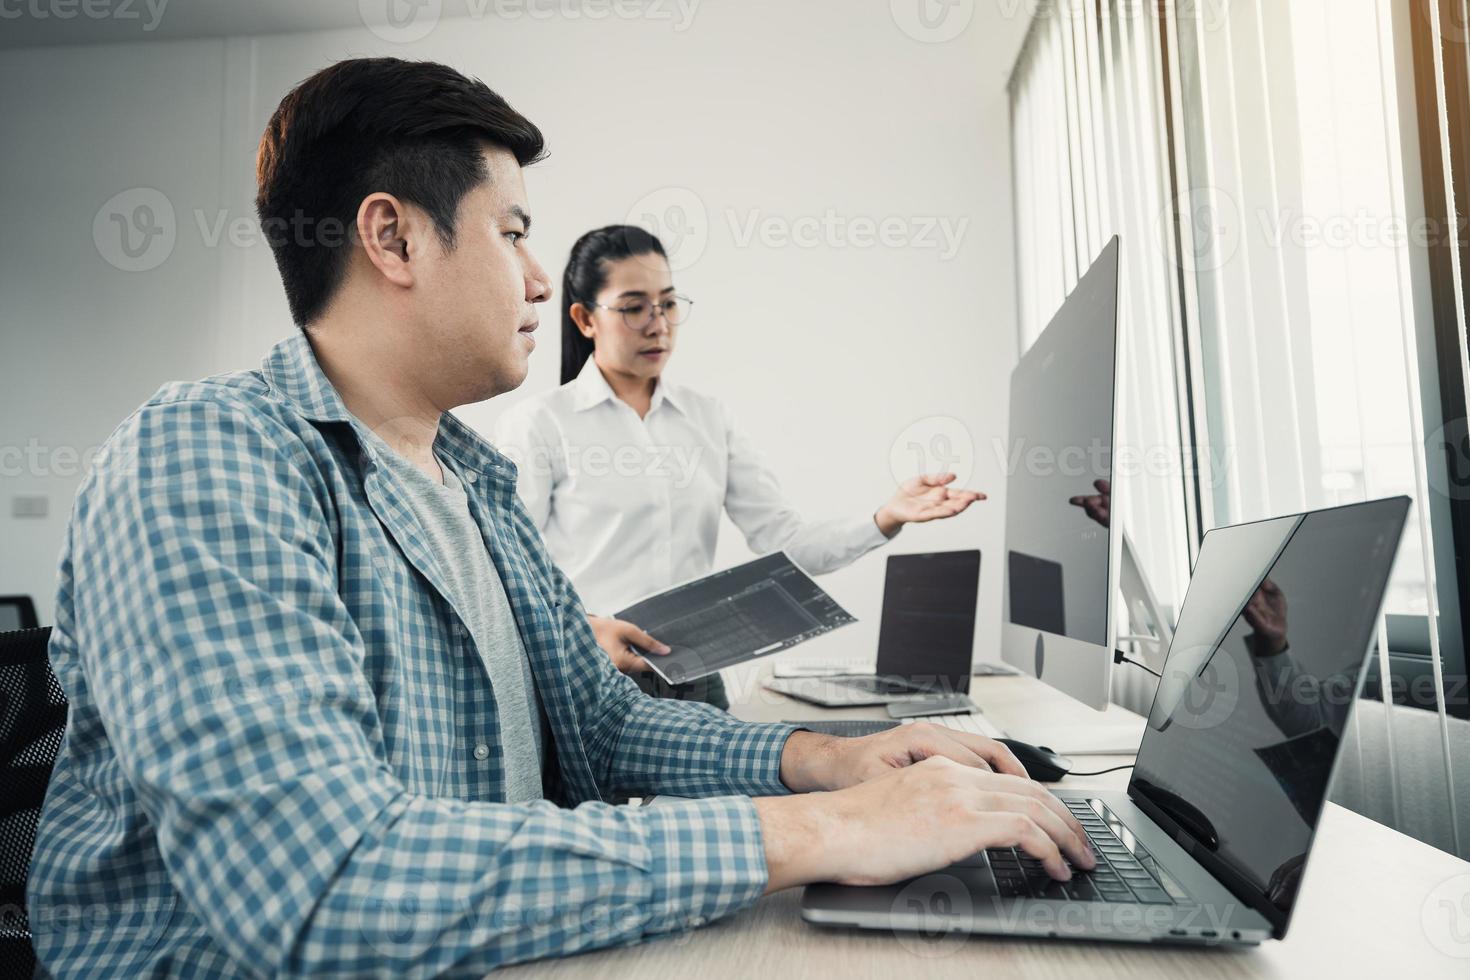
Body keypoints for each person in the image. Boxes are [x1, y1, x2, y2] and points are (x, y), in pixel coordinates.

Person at [27, 58, 1093, 977]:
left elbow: (602, 723)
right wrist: (825, 829)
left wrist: (829, 761)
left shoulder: (474, 478)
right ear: (393, 238)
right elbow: (321, 883)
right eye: (515, 231)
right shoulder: (209, 457)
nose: (541, 279)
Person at [493, 225, 983, 705]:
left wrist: (886, 517)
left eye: (667, 303)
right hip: (590, 676)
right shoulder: (540, 425)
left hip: (697, 680)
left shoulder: (707, 418)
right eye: (633, 307)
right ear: (584, 319)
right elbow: (509, 572)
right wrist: (588, 629)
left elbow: (786, 544)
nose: (657, 322)